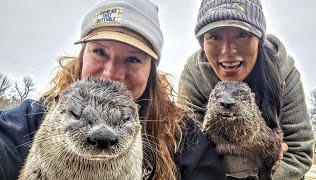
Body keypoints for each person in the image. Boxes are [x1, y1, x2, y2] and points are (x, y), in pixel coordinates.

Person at [0, 0, 226, 179]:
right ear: (82, 55)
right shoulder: (34, 118)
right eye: (100, 52)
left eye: (133, 59)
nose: (111, 73)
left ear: (151, 70)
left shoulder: (185, 139)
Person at [177, 0, 314, 179]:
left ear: (259, 39)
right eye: (214, 36)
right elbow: (189, 151)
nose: (228, 50)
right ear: (202, 42)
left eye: (241, 34)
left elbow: (299, 152)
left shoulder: (283, 72)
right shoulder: (193, 74)